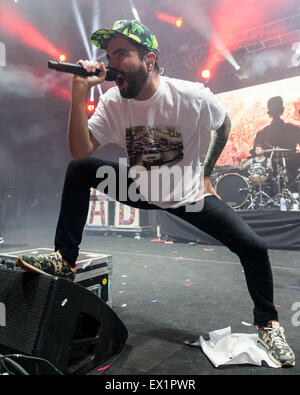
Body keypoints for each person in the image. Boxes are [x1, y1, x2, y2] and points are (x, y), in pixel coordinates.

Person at [16, 20, 295, 367]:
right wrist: (78, 91)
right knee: (80, 170)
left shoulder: (191, 96)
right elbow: (80, 149)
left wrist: (206, 172)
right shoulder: (113, 102)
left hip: (188, 197)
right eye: (108, 55)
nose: (111, 62)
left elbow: (223, 125)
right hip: (141, 188)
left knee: (253, 247)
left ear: (149, 60)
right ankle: (66, 260)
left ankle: (268, 325)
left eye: (121, 54)